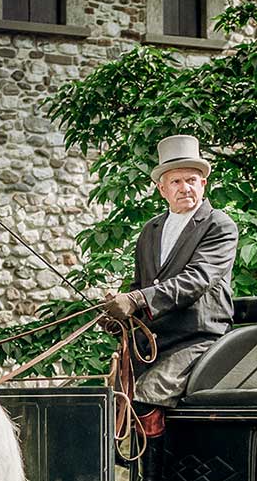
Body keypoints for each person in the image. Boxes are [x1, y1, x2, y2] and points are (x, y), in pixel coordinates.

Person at [101, 134, 237, 407]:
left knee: (143, 398)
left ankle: (152, 451)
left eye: (191, 180)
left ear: (203, 184)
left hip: (198, 339)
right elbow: (139, 286)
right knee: (109, 400)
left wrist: (137, 300)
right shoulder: (151, 230)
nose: (185, 188)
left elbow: (196, 280)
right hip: (151, 342)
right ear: (162, 189)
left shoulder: (218, 225)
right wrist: (119, 318)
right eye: (176, 181)